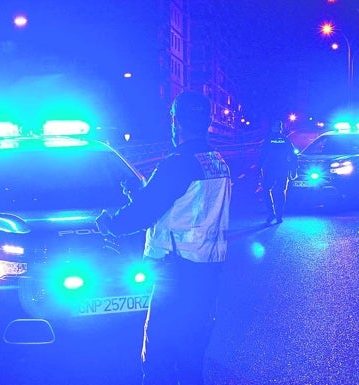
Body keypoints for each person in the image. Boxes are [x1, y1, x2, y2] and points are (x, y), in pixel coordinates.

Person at [96, 90, 231, 385]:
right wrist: (139, 192)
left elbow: (143, 212)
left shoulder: (178, 163)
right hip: (207, 270)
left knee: (159, 357)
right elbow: (182, 205)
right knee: (192, 353)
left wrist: (110, 224)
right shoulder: (216, 161)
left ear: (176, 121)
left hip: (177, 271)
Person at [258, 120, 297, 225]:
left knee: (266, 190)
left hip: (270, 170)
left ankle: (271, 213)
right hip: (283, 169)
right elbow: (293, 156)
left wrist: (259, 169)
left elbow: (262, 156)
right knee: (280, 192)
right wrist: (294, 170)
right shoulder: (286, 140)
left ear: (273, 128)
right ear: (281, 128)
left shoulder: (268, 140)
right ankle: (279, 215)